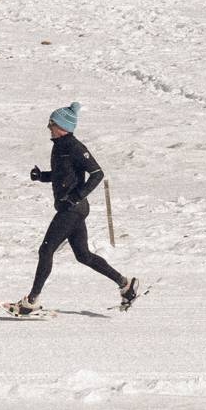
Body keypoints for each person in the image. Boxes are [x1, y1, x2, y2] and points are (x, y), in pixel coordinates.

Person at [12, 103, 138, 316]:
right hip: (72, 209)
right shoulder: (60, 146)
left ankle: (31, 301)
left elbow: (98, 173)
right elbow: (62, 174)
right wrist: (42, 176)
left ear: (61, 126)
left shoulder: (75, 147)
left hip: (72, 209)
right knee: (83, 255)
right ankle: (125, 285)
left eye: (51, 123)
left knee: (46, 250)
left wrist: (76, 196)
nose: (48, 127)